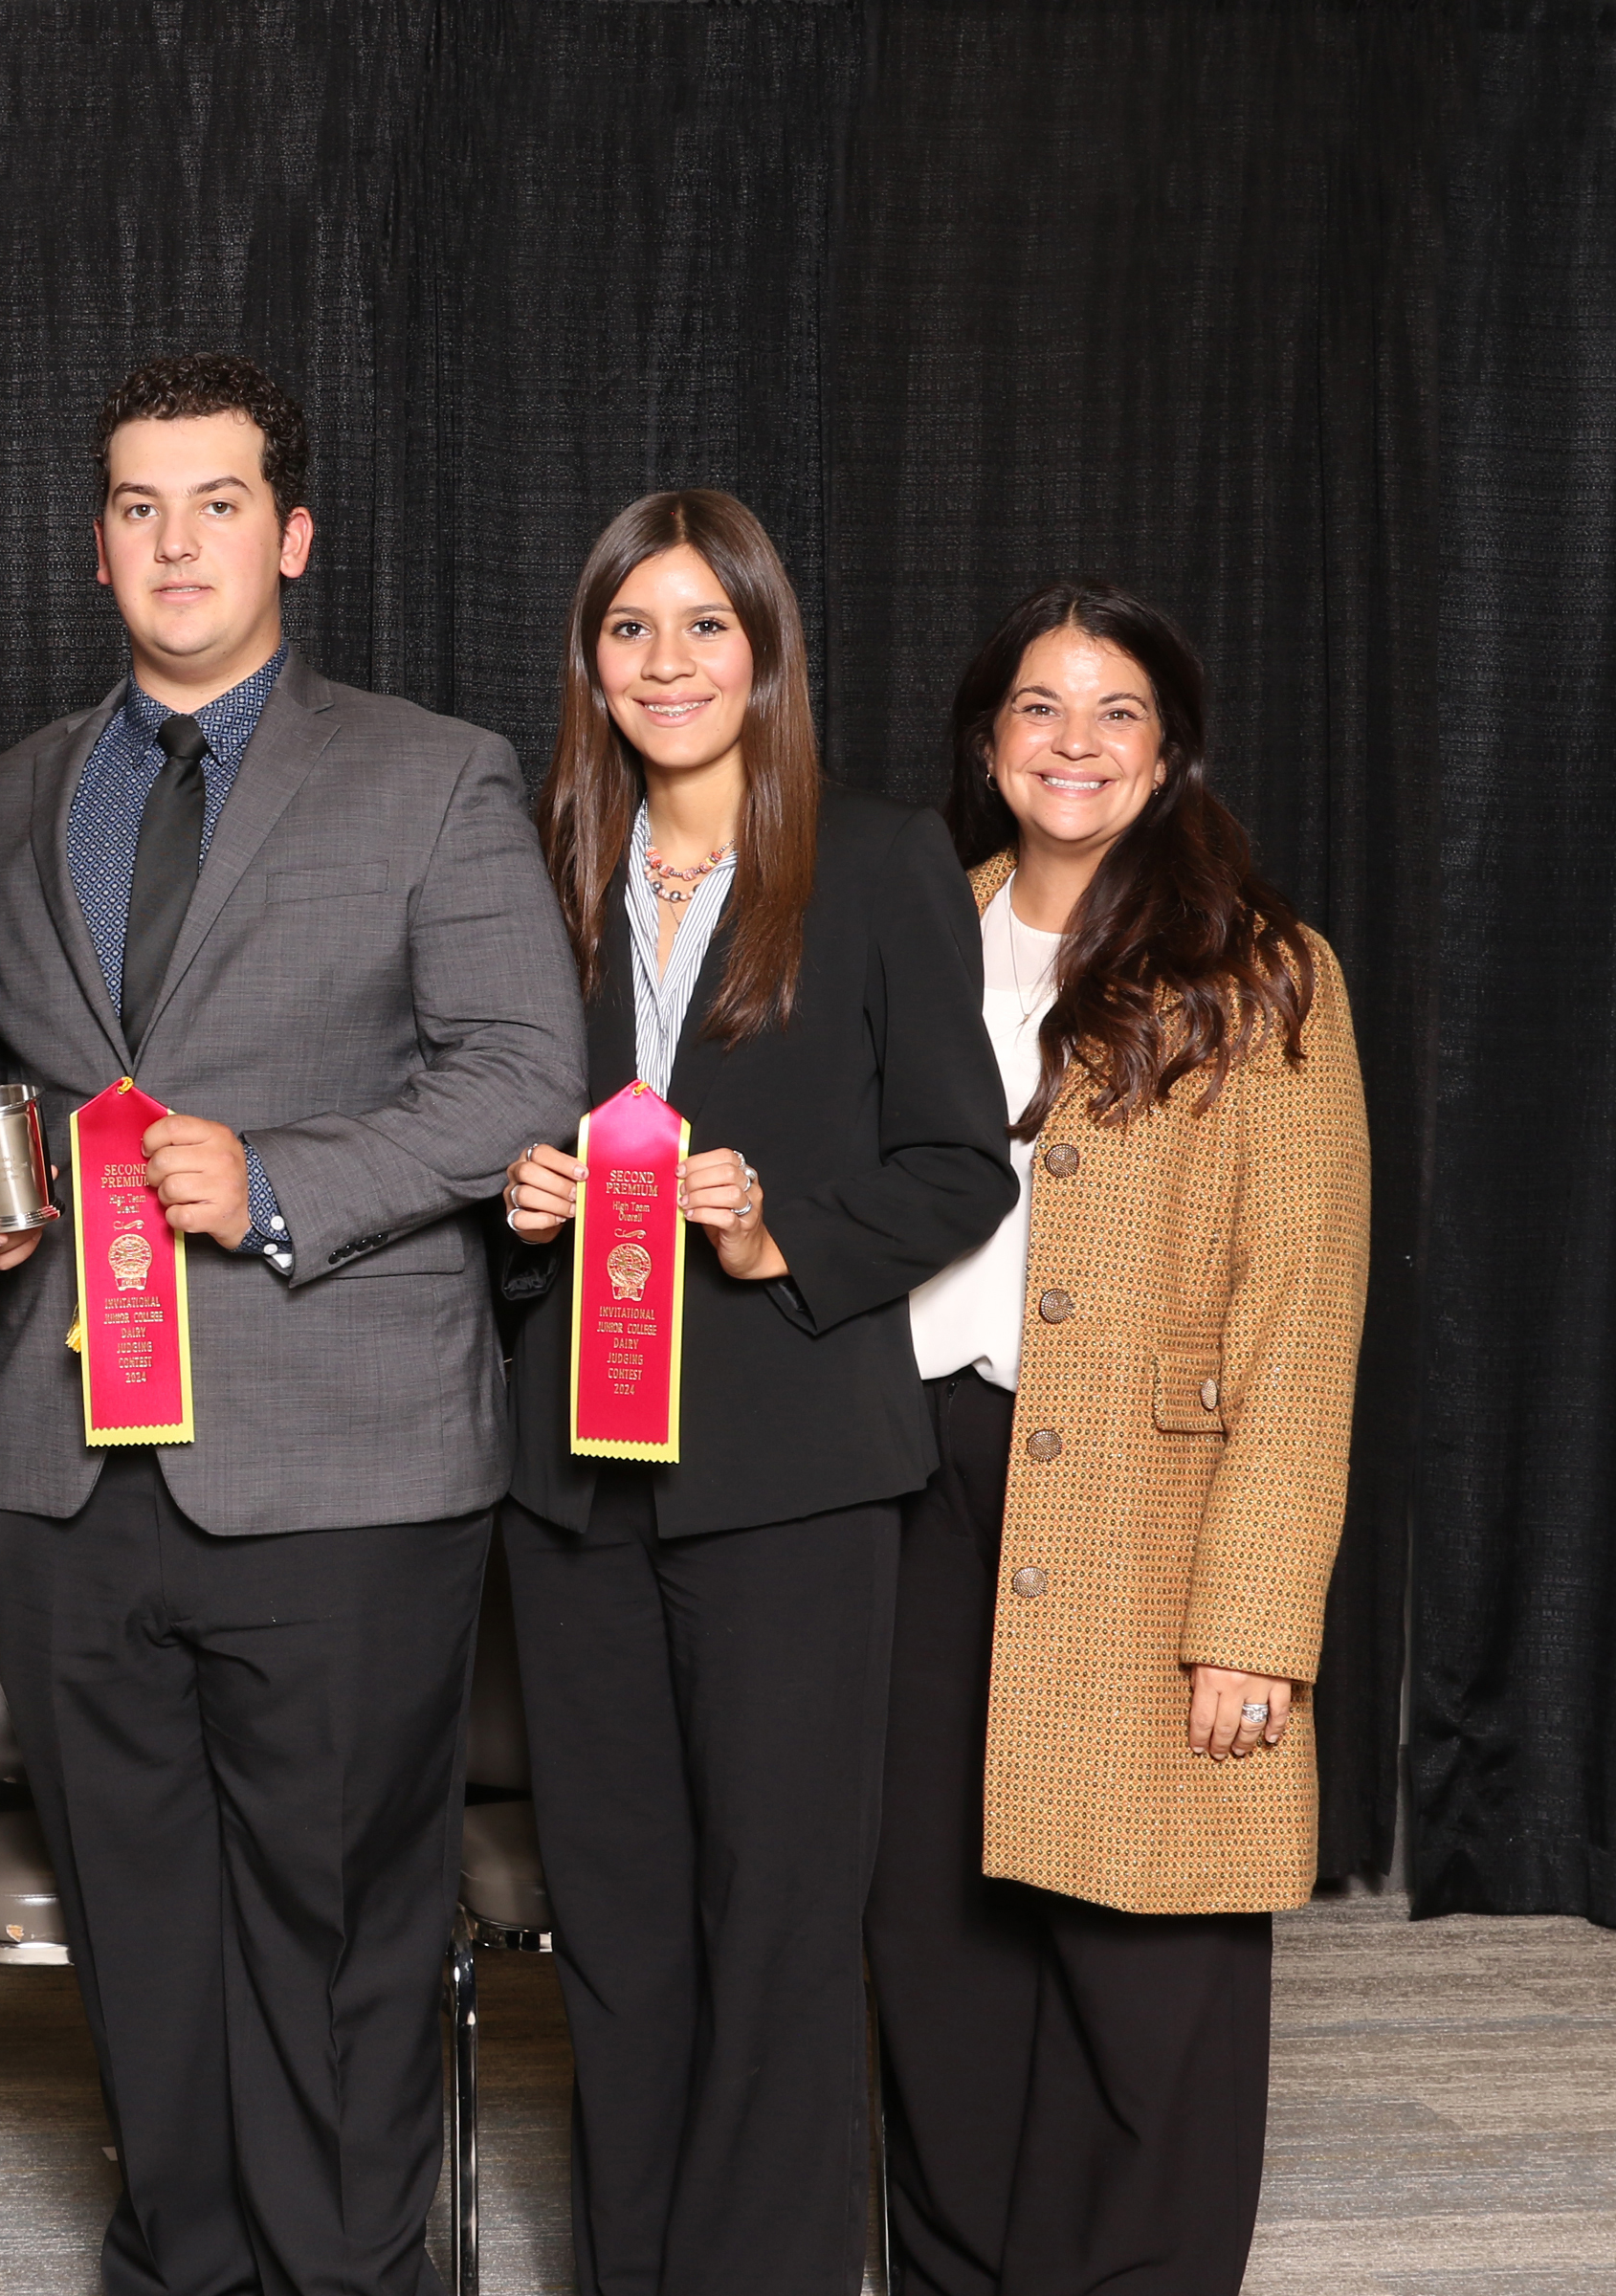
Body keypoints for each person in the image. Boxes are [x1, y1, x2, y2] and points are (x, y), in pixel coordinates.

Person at [0, 351, 586, 2296]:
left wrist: (279, 1180)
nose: (175, 541)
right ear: (99, 542)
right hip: (66, 1468)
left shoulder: (429, 771)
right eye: (139, 505)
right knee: (143, 1932)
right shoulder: (3, 799)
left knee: (338, 1928)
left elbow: (524, 1079)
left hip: (340, 1463)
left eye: (216, 502)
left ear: (290, 535)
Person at [496, 491, 1016, 2296]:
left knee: (781, 1926)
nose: (667, 663)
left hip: (791, 1480)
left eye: (705, 626)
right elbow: (479, 1129)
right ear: (592, 661)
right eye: (631, 628)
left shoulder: (872, 865)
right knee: (621, 1931)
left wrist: (779, 1229)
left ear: (766, 652)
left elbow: (964, 1166)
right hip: (572, 1487)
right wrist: (521, 1200)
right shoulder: (532, 866)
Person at [867, 582, 1368, 2296]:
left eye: (1115, 713)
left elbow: (1305, 1322)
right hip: (911, 1487)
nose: (1071, 743)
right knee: (932, 1953)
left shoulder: (1268, 974)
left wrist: (1256, 1624)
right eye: (1038, 708)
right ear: (988, 740)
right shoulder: (917, 925)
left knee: (1148, 1971)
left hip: (1148, 1516)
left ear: (1168, 755)